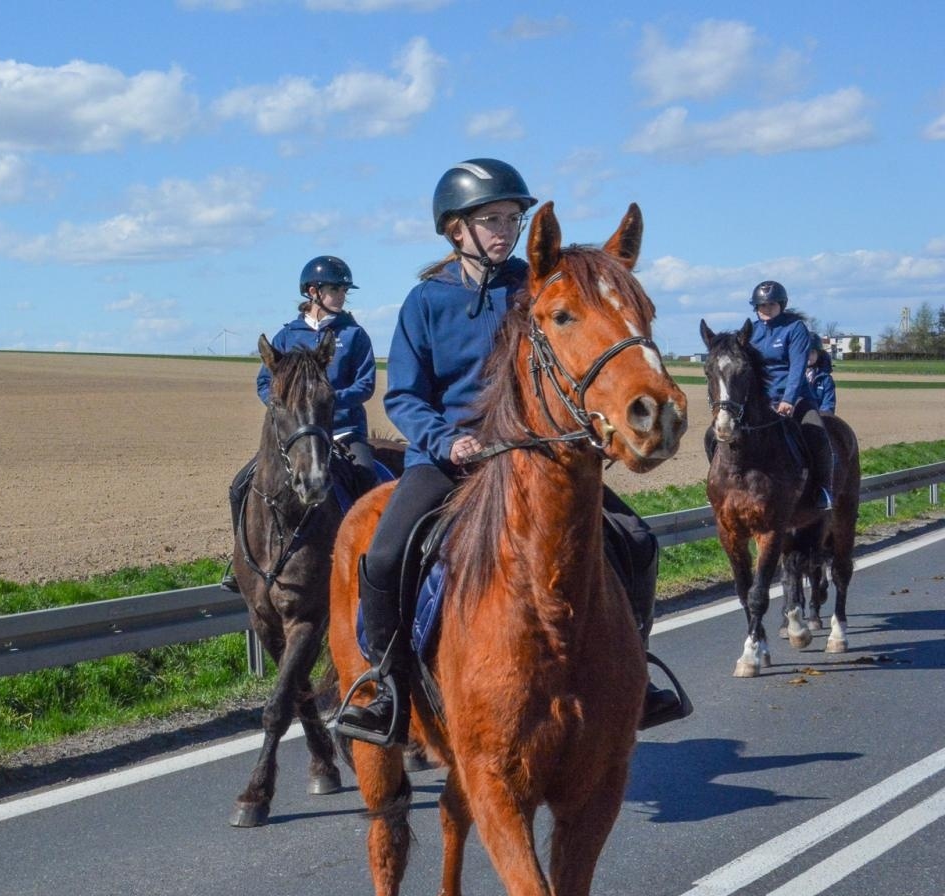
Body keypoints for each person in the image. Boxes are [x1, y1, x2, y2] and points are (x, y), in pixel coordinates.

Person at [332, 158, 688, 745]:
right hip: (448, 461)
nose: (503, 229)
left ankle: (635, 675)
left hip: (536, 458)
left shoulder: (541, 284)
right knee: (385, 556)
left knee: (637, 542)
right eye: (490, 219)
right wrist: (448, 440)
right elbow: (403, 396)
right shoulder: (426, 302)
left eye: (512, 218)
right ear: (456, 229)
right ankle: (386, 687)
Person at [222, 256, 378, 590]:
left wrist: (326, 403)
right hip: (295, 437)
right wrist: (289, 411)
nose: (341, 296)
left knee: (368, 478)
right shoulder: (285, 336)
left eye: (344, 290)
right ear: (312, 291)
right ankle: (239, 565)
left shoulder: (354, 335)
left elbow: (365, 385)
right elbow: (265, 384)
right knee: (239, 486)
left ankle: (371, 561)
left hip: (343, 431)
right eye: (335, 289)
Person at [747, 280, 835, 509]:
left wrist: (788, 399)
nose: (766, 309)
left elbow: (797, 367)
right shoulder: (751, 332)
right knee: (719, 436)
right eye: (762, 305)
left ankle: (823, 489)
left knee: (816, 431)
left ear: (781, 305)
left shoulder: (795, 328)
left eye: (771, 304)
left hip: (795, 397)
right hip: (761, 401)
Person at [805, 344, 837, 414]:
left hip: (818, 418)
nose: (808, 355)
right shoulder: (790, 376)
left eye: (812, 352)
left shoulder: (826, 379)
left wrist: (818, 418)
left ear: (818, 354)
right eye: (805, 350)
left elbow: (828, 404)